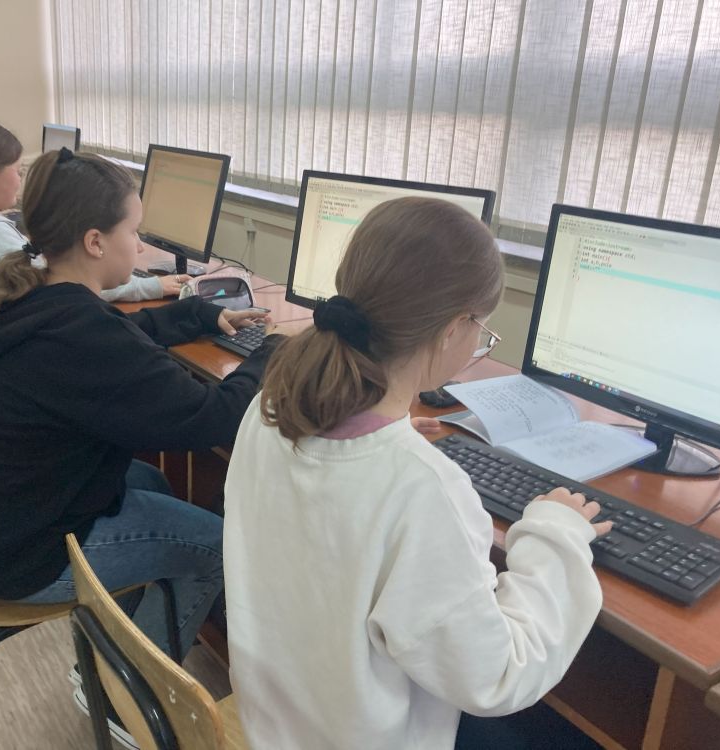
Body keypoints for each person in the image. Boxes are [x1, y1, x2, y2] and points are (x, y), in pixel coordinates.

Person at [223, 197, 611, 750]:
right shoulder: (422, 489)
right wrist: (556, 533)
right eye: (481, 327)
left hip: (277, 726)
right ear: (453, 329)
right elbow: (499, 677)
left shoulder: (266, 409)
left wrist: (395, 437)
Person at [0, 148, 280, 746]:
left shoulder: (33, 296)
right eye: (133, 232)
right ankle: (126, 701)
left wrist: (199, 317)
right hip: (21, 557)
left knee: (153, 483)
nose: (139, 246)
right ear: (95, 241)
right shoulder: (75, 328)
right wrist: (272, 355)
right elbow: (209, 418)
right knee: (217, 548)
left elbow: (118, 336)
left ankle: (125, 642)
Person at [0, 118, 189, 397]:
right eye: (18, 171)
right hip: (21, 356)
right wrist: (153, 286)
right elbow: (65, 283)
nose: (20, 180)